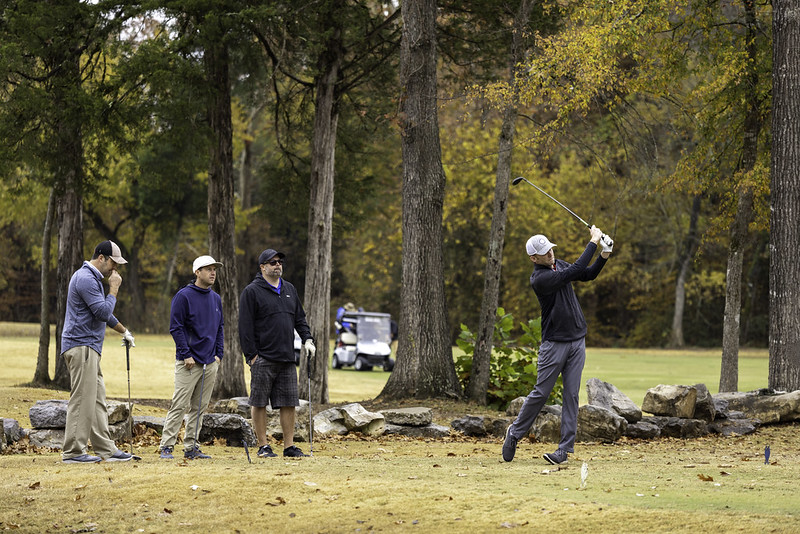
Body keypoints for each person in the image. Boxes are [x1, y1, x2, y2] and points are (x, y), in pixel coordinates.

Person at [502, 226, 612, 465]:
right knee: (541, 393)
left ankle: (564, 450)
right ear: (534, 258)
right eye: (545, 252)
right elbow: (574, 270)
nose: (550, 253)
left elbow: (587, 274)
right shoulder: (540, 279)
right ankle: (515, 433)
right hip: (554, 344)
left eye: (550, 248)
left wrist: (604, 254)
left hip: (577, 339)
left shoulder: (558, 264)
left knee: (572, 395)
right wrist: (593, 242)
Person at [61, 240, 137, 463]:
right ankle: (73, 452)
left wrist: (125, 332)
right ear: (101, 258)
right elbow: (103, 311)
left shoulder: (92, 280)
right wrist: (114, 289)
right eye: (114, 263)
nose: (115, 269)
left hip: (90, 348)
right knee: (83, 399)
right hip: (81, 346)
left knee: (96, 401)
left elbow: (102, 313)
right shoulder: (85, 278)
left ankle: (106, 449)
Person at [239, 248, 315, 458]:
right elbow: (245, 327)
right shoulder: (252, 291)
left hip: (287, 357)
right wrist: (252, 355)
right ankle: (264, 446)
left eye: (279, 261)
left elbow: (299, 318)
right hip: (262, 357)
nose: (277, 265)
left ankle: (289, 446)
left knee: (289, 402)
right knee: (259, 402)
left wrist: (307, 338)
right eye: (272, 262)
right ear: (262, 267)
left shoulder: (289, 289)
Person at [159, 255, 224, 460]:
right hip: (189, 362)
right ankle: (167, 446)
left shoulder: (215, 298)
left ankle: (191, 447)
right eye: (208, 269)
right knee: (179, 405)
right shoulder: (183, 296)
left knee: (200, 407)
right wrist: (186, 354)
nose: (213, 272)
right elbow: (176, 328)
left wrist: (218, 354)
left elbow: (219, 328)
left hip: (209, 361)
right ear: (197, 272)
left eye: (214, 269)